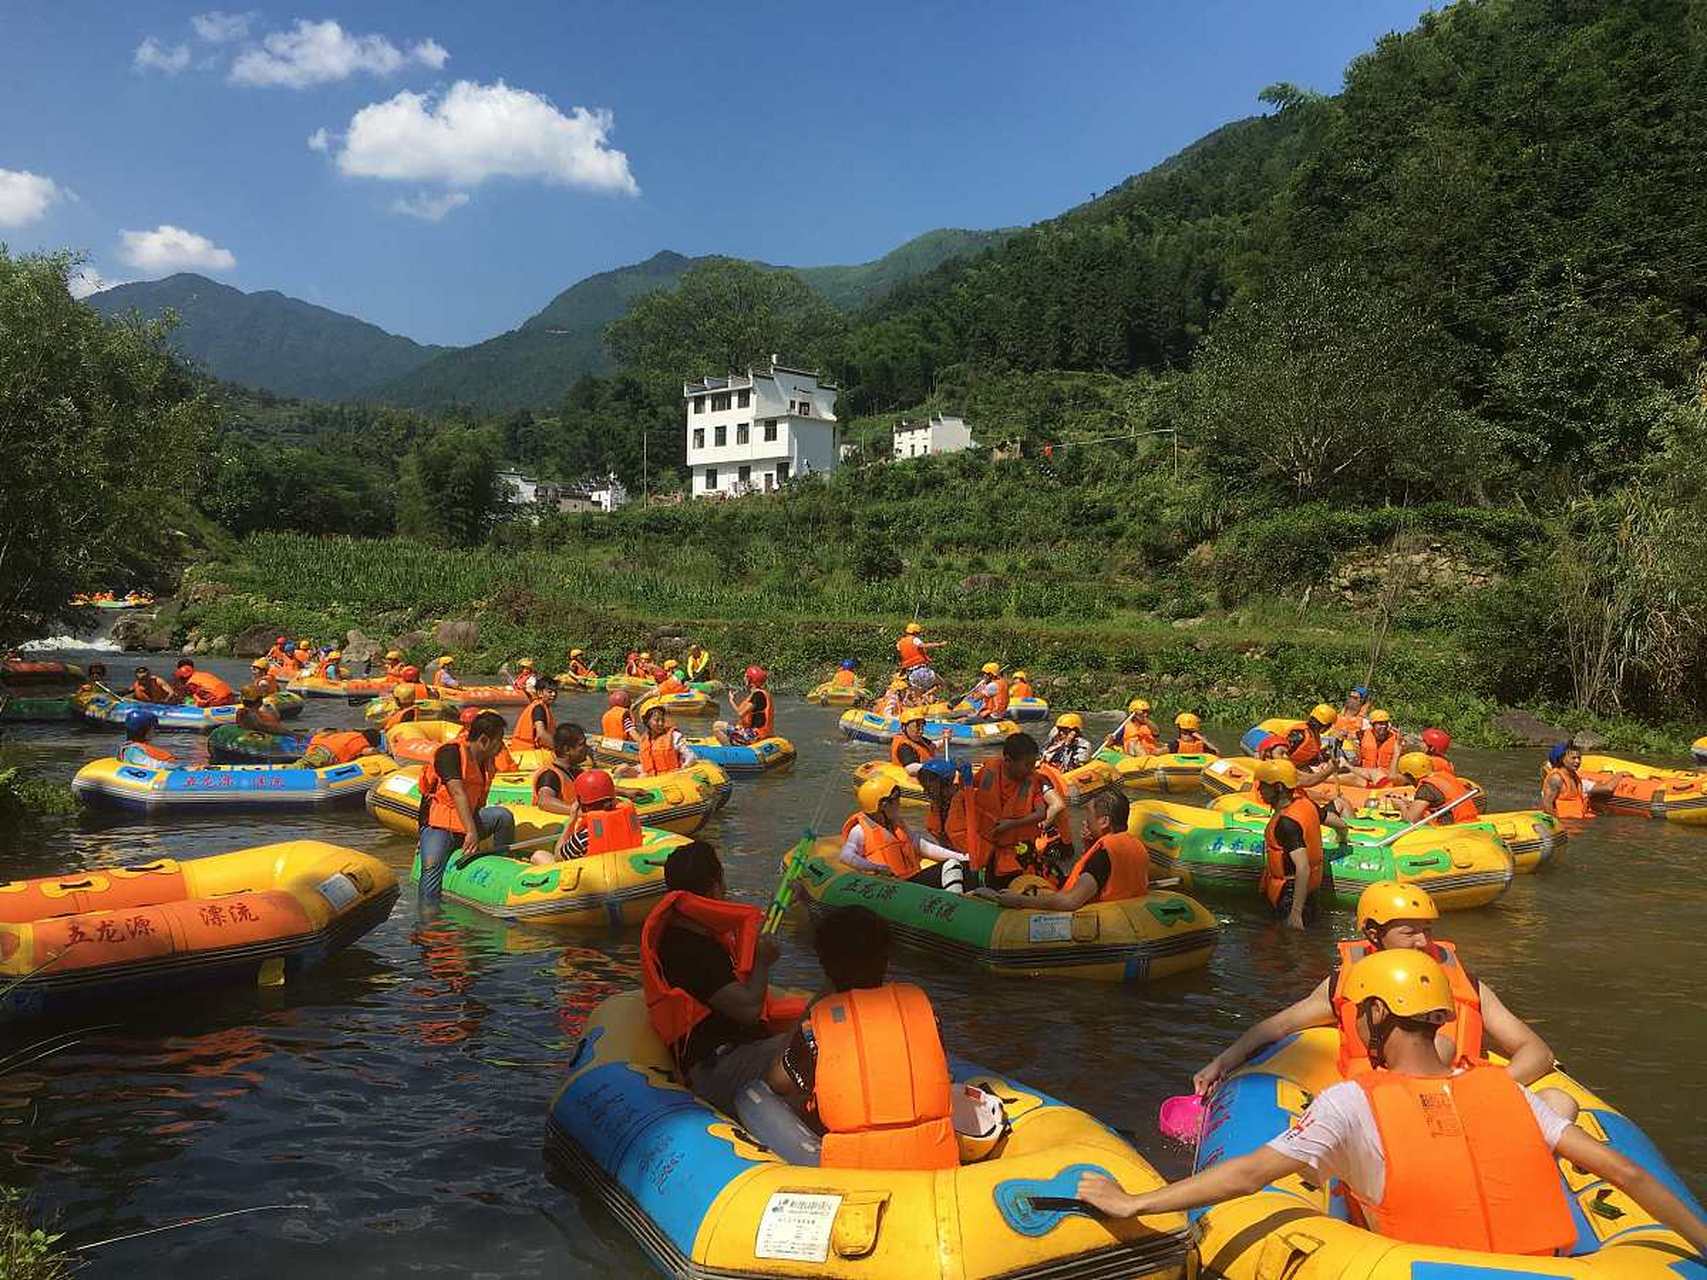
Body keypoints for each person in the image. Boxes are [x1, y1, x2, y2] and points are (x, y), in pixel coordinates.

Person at [1081, 949, 1707, 1259]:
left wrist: (1133, 1201)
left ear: (1377, 1014)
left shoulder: (1351, 1104)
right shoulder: (1510, 1092)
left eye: (1359, 1013)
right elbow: (1625, 1174)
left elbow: (1247, 1175)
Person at [1192, 880, 1577, 1117]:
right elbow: (1277, 1026)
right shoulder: (1345, 985)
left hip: (1463, 1099)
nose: (1423, 942)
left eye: (1427, 930)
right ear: (1374, 934)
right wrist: (1221, 1063)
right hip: (1387, 1106)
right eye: (1409, 932)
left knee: (1560, 1102)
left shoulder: (1467, 984)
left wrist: (1490, 1089)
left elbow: (1536, 1052)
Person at [762, 905, 958, 1170]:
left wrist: (818, 1001)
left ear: (825, 965)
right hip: (935, 1163)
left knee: (753, 1095)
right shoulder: (924, 1009)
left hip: (853, 1172)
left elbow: (777, 1081)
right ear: (886, 960)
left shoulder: (816, 1025)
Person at [638, 842, 806, 1118]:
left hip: (738, 1054)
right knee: (818, 1043)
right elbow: (749, 1010)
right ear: (714, 888)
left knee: (814, 1034)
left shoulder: (695, 933)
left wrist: (784, 904)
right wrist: (763, 963)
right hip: (719, 1068)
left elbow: (748, 949)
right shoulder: (687, 949)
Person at [975, 791, 1147, 911]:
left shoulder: (1103, 854)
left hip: (1093, 920)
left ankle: (990, 895)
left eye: (1089, 816)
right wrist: (1090, 843)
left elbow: (1070, 902)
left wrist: (1019, 900)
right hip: (1124, 913)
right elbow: (1110, 878)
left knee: (1023, 882)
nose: (1085, 821)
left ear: (1104, 822)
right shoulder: (1136, 844)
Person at [416, 709, 515, 903]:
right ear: (484, 740)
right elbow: (457, 792)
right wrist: (471, 832)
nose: (501, 748)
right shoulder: (450, 753)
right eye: (499, 742)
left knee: (503, 817)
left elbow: (478, 801)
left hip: (469, 821)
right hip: (440, 826)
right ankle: (429, 915)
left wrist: (472, 829)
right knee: (432, 868)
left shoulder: (486, 763)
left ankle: (502, 865)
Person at [1255, 758, 1349, 930]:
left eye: (1263, 785)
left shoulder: (1286, 823)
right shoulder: (1306, 804)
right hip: (1311, 894)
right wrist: (1343, 837)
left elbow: (1303, 867)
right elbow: (1338, 823)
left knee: (1284, 942)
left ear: (1279, 787)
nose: (1259, 789)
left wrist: (1295, 914)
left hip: (1289, 896)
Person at [840, 776, 970, 892]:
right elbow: (846, 856)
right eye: (896, 798)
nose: (899, 802)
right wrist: (876, 868)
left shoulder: (897, 824)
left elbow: (922, 846)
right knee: (952, 865)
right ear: (883, 805)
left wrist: (962, 857)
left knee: (961, 866)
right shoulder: (859, 831)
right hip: (891, 887)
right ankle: (955, 902)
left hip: (911, 880)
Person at [972, 733, 1061, 890]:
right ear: (1008, 760)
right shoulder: (988, 770)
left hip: (1018, 850)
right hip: (986, 845)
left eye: (1033, 764)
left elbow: (1041, 813)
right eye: (1027, 764)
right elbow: (969, 793)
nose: (1031, 769)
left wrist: (1011, 824)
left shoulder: (1032, 781)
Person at [535, 768, 637, 862]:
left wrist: (571, 821)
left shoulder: (583, 837)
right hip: (625, 866)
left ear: (581, 804)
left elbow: (559, 857)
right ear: (614, 798)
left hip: (595, 871)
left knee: (538, 855)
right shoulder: (631, 822)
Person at [1391, 751, 1481, 825]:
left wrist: (1401, 805)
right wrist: (1409, 804)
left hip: (1455, 828)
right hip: (1472, 822)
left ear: (1409, 775)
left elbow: (1410, 820)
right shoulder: (1444, 776)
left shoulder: (1426, 788)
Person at [1541, 741, 1624, 820]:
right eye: (1573, 758)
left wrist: (1619, 775)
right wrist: (1557, 825)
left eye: (1579, 758)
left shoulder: (1575, 778)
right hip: (1563, 822)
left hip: (1576, 821)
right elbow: (1547, 804)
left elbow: (1607, 788)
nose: (1577, 761)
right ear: (1562, 759)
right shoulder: (1556, 778)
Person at [632, 703, 698, 776]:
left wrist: (684, 768)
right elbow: (646, 765)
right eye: (657, 720)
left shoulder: (674, 736)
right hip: (653, 778)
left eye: (662, 720)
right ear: (646, 721)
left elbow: (691, 756)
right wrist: (633, 769)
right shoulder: (644, 740)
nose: (661, 723)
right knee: (625, 768)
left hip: (673, 776)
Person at [715, 666, 773, 745]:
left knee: (717, 727)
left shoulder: (758, 695)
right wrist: (732, 700)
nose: (744, 679)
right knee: (721, 725)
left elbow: (740, 713)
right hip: (758, 732)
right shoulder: (760, 693)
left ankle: (729, 750)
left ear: (750, 679)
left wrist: (731, 701)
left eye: (746, 677)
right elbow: (743, 713)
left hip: (754, 734)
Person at [509, 677, 558, 752]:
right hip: (526, 751)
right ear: (540, 693)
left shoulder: (542, 707)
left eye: (555, 692)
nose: (554, 694)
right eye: (550, 692)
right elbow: (541, 734)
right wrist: (559, 748)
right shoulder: (538, 709)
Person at [292, 727, 381, 769]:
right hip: (327, 754)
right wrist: (381, 754)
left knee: (305, 763)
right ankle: (285, 773)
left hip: (318, 747)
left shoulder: (350, 734)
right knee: (303, 765)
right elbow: (369, 751)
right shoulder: (361, 741)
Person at [890, 706, 939, 774]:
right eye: (917, 728)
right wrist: (934, 767)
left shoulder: (918, 738)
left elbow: (933, 745)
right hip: (909, 778)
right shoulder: (904, 746)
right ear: (904, 728)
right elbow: (910, 768)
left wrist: (945, 739)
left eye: (922, 727)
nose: (921, 731)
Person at [1355, 709, 1401, 780]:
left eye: (1385, 723)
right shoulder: (1361, 735)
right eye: (1380, 723)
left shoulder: (1396, 738)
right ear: (1372, 725)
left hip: (1386, 777)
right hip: (1366, 776)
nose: (1384, 726)